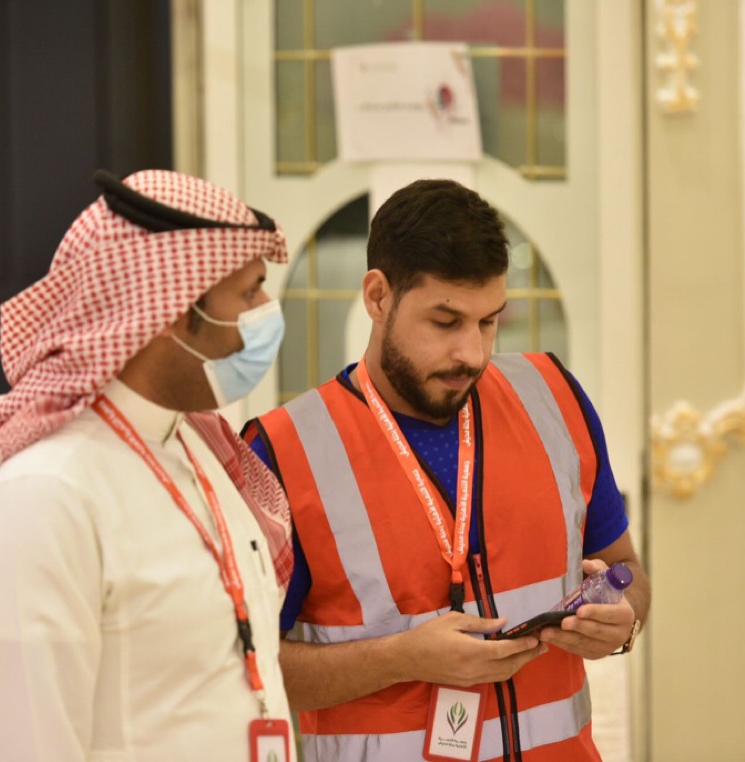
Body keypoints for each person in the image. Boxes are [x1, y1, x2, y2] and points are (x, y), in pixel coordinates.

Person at [243, 179, 651, 762]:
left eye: (488, 322)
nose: (472, 354)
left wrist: (623, 620)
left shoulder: (554, 398)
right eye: (445, 321)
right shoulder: (283, 451)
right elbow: (246, 671)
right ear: (378, 297)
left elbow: (627, 572)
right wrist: (402, 658)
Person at [0, 169, 297, 761]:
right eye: (248, 294)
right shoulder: (41, 499)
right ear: (171, 310)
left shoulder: (200, 451)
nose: (267, 313)